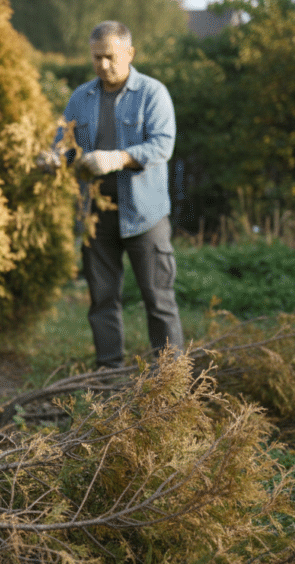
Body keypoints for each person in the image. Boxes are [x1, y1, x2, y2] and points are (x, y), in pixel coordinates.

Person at [52, 20, 183, 368]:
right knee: (102, 299)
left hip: (145, 216)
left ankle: (171, 378)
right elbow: (64, 145)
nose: (103, 65)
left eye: (110, 56)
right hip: (97, 214)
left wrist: (119, 157)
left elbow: (163, 145)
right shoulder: (81, 98)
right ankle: (108, 376)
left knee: (158, 300)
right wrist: (52, 158)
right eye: (97, 58)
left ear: (130, 53)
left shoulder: (153, 94)